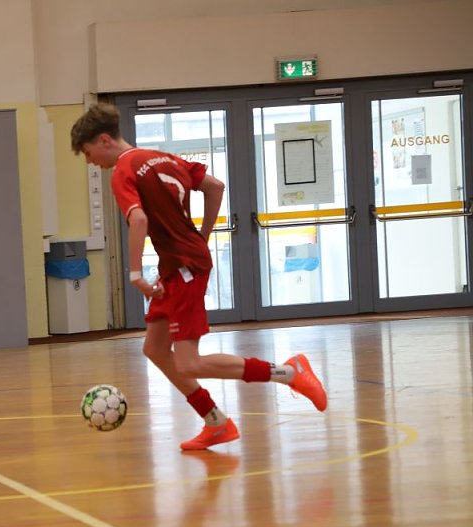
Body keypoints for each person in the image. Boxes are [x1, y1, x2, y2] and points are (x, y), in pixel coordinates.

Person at [69, 104, 327, 450]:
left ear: (103, 140)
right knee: (155, 348)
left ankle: (289, 372)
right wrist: (201, 237)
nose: (90, 162)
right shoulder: (163, 157)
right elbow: (215, 186)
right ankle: (215, 422)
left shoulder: (123, 170)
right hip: (178, 264)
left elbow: (139, 220)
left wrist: (135, 273)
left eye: (88, 153)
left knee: (189, 362)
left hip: (184, 267)